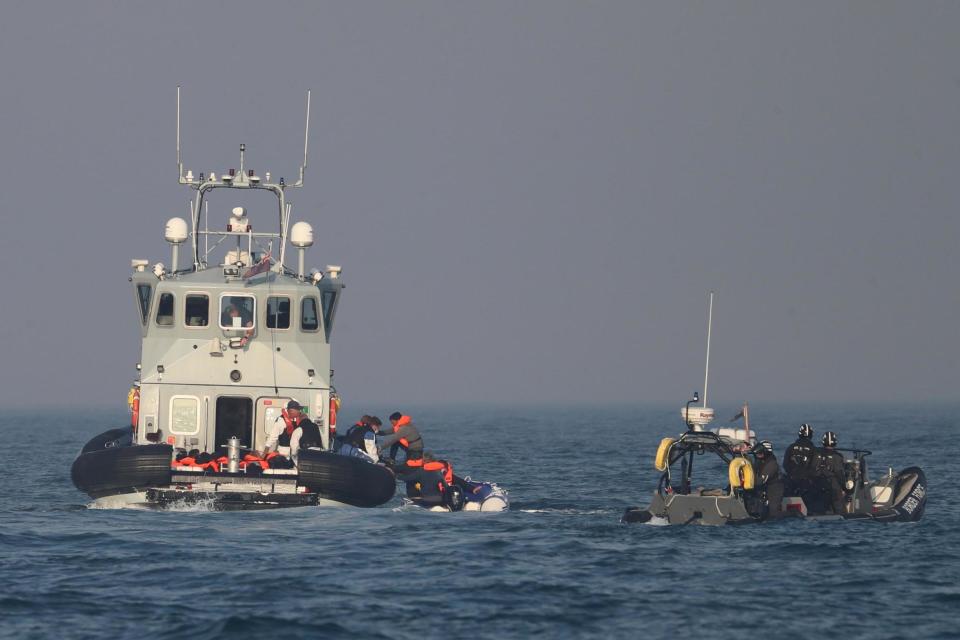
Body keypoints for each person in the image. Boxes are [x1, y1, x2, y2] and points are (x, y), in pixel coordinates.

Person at [814, 431, 846, 514]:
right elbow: (840, 474)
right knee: (840, 509)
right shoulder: (837, 457)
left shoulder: (816, 454)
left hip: (817, 485)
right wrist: (845, 488)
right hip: (833, 486)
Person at [783, 423, 817, 499]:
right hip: (806, 482)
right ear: (811, 435)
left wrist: (792, 473)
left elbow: (785, 464)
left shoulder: (791, 447)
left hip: (791, 480)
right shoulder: (813, 449)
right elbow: (814, 466)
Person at [752, 441, 784, 519]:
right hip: (765, 488)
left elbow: (762, 480)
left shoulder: (772, 464)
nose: (758, 455)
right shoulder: (759, 462)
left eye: (760, 453)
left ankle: (794, 513)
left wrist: (749, 482)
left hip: (775, 489)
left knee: (774, 513)